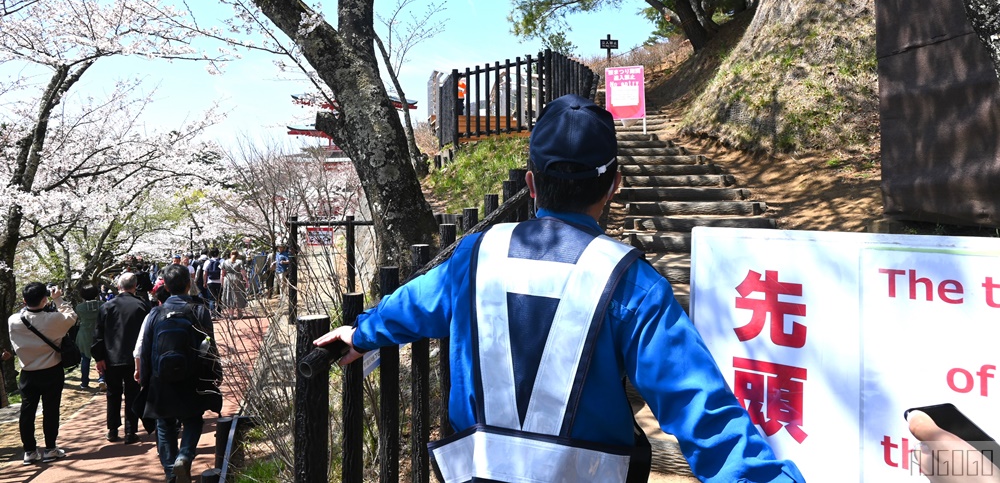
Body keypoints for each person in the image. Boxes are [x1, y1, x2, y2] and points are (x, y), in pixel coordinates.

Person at [315, 94, 806, 483]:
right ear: (614, 184)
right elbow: (704, 413)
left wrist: (361, 334)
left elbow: (416, 304)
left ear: (530, 183)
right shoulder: (632, 283)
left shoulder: (476, 256)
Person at [138, 263, 221, 483]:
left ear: (165, 286)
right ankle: (184, 457)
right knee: (193, 419)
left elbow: (146, 349)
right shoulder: (199, 310)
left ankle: (169, 472)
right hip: (191, 375)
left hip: (160, 378)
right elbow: (209, 345)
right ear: (188, 283)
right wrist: (214, 372)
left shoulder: (155, 312)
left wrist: (145, 379)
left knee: (164, 424)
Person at [8, 282, 78, 465]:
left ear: (24, 300)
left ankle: (29, 451)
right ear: (45, 299)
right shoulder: (54, 319)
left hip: (27, 373)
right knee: (51, 410)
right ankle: (50, 448)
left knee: (27, 411)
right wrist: (58, 299)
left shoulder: (13, 321)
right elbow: (71, 316)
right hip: (51, 370)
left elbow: (26, 315)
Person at [93, 272, 150, 444]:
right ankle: (130, 432)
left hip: (111, 357)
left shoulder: (107, 306)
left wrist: (99, 357)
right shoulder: (142, 306)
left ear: (119, 286)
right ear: (135, 286)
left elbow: (98, 334)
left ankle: (112, 430)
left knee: (113, 393)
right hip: (135, 358)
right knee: (132, 393)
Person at [73, 283, 102, 390]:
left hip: (84, 334)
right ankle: (102, 379)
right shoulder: (102, 304)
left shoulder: (79, 307)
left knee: (85, 359)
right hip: (99, 334)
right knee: (101, 357)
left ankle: (84, 382)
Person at [220, 250, 247, 318]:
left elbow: (222, 273)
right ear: (238, 255)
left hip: (228, 279)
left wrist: (222, 282)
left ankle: (231, 314)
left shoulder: (224, 262)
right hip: (238, 279)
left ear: (230, 255)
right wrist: (246, 280)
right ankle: (239, 313)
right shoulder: (240, 262)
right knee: (238, 295)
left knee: (229, 295)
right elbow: (243, 272)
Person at [204, 248, 223, 317]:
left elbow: (205, 273)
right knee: (219, 298)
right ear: (218, 253)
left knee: (211, 299)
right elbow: (223, 272)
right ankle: (219, 313)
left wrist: (204, 282)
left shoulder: (208, 262)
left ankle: (212, 313)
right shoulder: (222, 261)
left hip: (210, 282)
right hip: (220, 282)